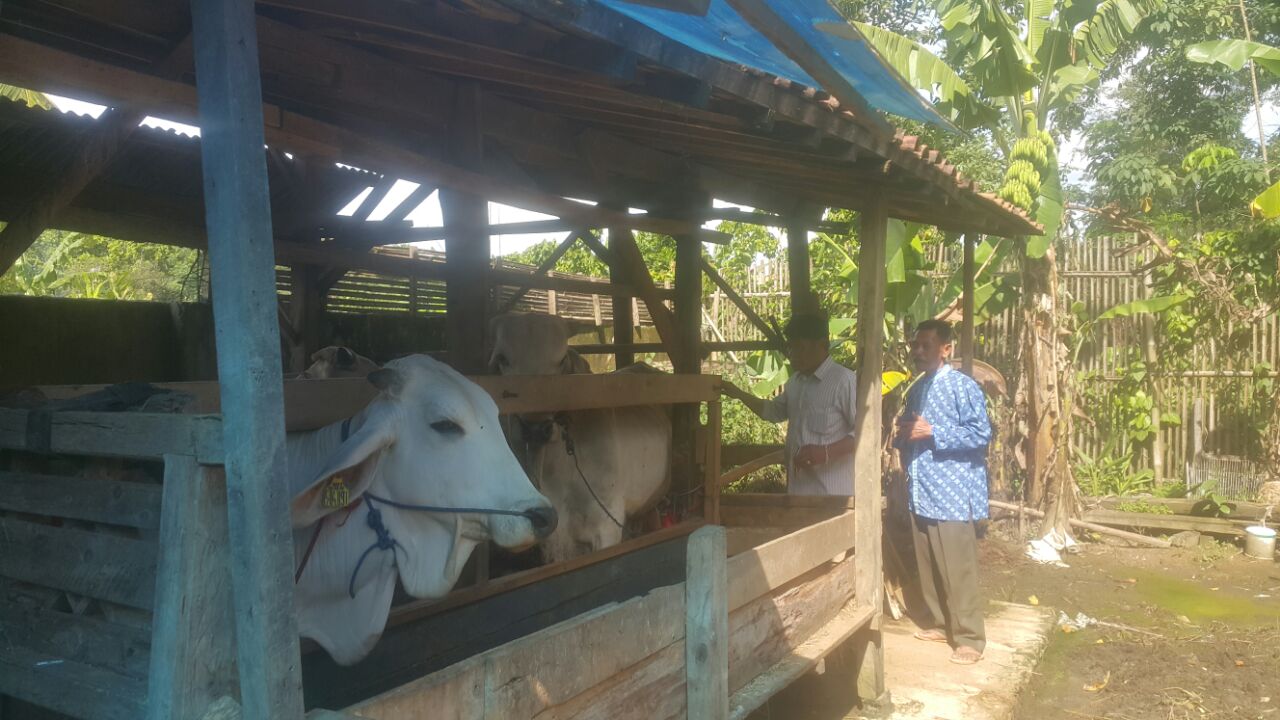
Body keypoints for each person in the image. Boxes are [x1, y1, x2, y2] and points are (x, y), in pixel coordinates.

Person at [896, 319, 992, 665]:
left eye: (926, 345)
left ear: (945, 349)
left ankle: (969, 637)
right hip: (922, 490)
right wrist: (903, 434)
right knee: (929, 563)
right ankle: (938, 621)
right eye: (915, 345)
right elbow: (914, 431)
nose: (918, 352)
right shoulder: (919, 388)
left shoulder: (961, 386)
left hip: (951, 493)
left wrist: (934, 432)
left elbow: (981, 434)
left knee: (957, 567)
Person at [720, 312, 858, 496]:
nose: (792, 354)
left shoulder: (844, 381)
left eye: (800, 348)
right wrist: (739, 394)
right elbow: (772, 412)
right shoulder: (795, 382)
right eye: (791, 347)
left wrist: (825, 452)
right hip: (797, 495)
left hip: (832, 497)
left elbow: (866, 434)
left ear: (823, 345)